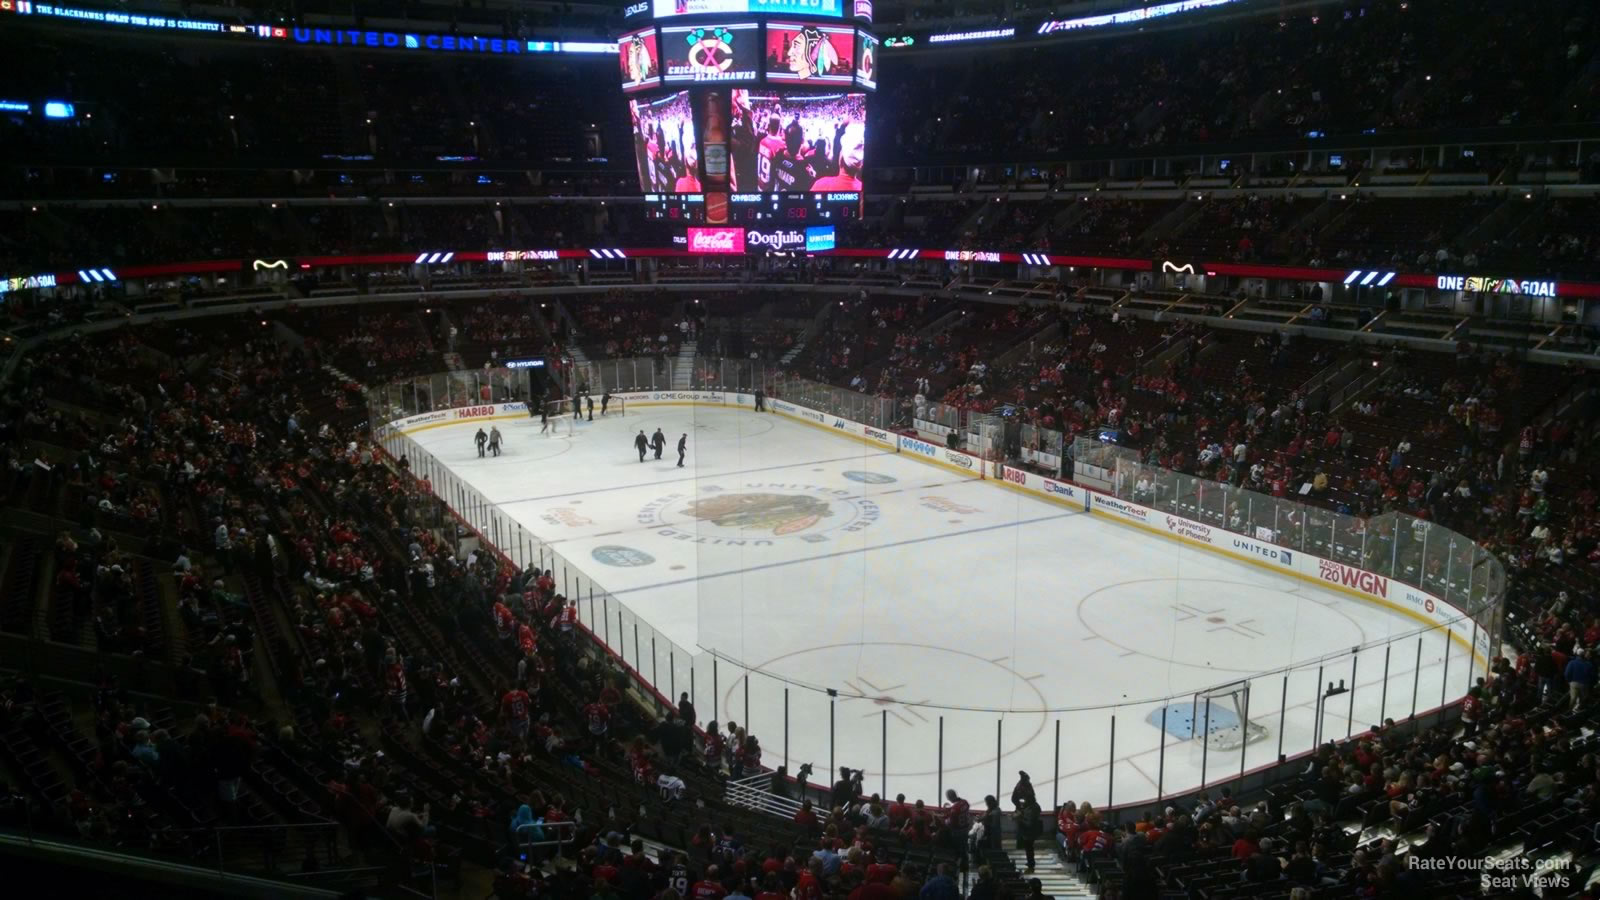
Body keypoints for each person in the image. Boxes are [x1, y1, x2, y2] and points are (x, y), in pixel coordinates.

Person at [1016, 797, 1042, 872]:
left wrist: (1020, 818)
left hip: (1029, 831)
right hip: (1032, 830)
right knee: (1029, 847)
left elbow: (1029, 823)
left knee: (1029, 847)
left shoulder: (1032, 809)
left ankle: (1031, 863)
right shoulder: (1035, 806)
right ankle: (1030, 862)